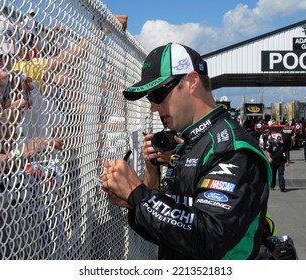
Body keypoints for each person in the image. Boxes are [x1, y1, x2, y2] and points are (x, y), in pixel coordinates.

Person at [101, 43, 270, 259]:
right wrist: (134, 203)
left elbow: (209, 238)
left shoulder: (231, 148)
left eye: (159, 94)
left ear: (191, 81)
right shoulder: (188, 142)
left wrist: (138, 194)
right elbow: (173, 230)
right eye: (150, 98)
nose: (153, 106)